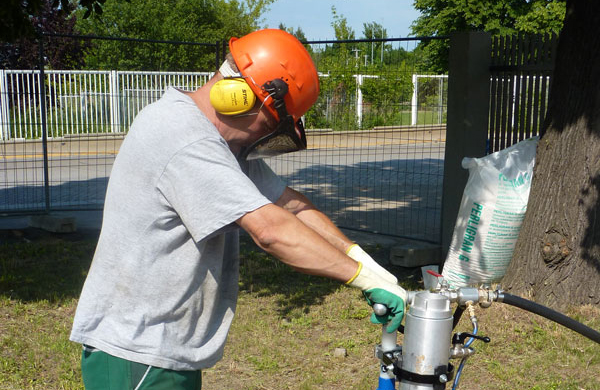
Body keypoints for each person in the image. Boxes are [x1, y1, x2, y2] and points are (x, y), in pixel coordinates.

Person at [70, 29, 406, 390]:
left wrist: (364, 262)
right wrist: (359, 278)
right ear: (239, 97)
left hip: (160, 350)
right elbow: (271, 230)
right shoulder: (185, 137)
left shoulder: (218, 142)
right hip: (137, 353)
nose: (263, 137)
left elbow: (288, 206)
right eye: (272, 123)